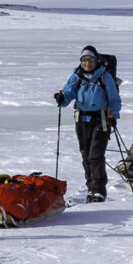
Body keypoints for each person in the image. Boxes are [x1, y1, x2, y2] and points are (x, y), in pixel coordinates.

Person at [55, 46, 122, 201]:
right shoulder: (77, 76)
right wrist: (62, 99)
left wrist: (114, 116)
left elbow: (115, 100)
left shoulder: (104, 76)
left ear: (96, 60)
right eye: (84, 60)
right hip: (81, 121)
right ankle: (91, 189)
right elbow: (68, 93)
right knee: (86, 156)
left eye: (90, 60)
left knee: (95, 156)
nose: (87, 63)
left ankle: (98, 191)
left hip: (101, 121)